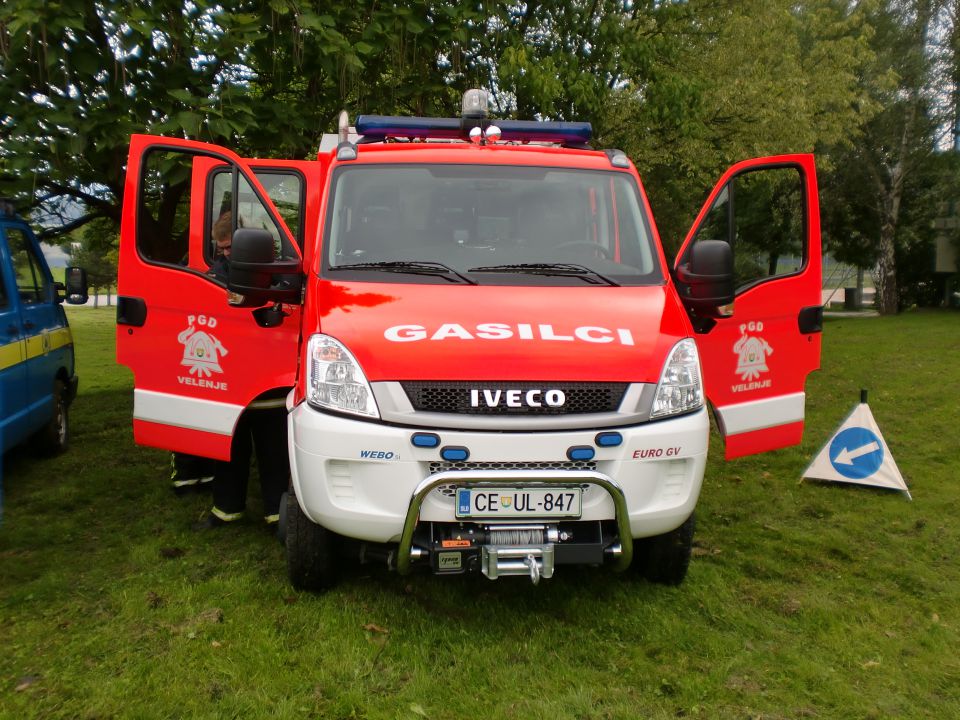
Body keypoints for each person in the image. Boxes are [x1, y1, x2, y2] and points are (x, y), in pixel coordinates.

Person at [196, 211, 290, 530]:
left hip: (269, 381)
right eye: (219, 248)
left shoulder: (278, 272)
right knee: (228, 451)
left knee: (274, 452)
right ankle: (226, 510)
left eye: (227, 247)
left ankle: (278, 516)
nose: (223, 254)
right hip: (232, 381)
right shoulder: (214, 276)